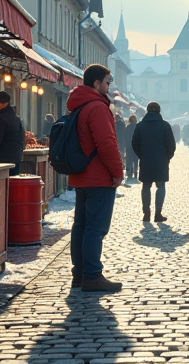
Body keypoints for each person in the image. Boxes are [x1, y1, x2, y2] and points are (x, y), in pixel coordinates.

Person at [67, 64, 123, 292]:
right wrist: (118, 172)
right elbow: (106, 143)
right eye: (108, 82)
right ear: (96, 83)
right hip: (99, 177)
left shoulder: (78, 105)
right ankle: (92, 274)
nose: (110, 86)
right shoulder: (98, 107)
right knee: (95, 228)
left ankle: (79, 274)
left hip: (81, 175)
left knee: (80, 225)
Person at [131, 102, 175, 222]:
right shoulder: (165, 126)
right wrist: (167, 157)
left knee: (146, 187)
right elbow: (171, 145)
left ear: (147, 111)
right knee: (160, 186)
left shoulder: (140, 126)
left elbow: (134, 143)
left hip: (146, 160)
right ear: (159, 111)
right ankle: (158, 213)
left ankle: (146, 213)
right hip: (161, 161)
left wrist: (142, 155)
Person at [0, 91, 26, 176]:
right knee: (13, 184)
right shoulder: (16, 119)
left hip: (1, 160)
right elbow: (22, 138)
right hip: (16, 158)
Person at [123, 115, 139, 181]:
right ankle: (135, 173)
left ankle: (129, 173)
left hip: (129, 146)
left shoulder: (127, 128)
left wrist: (124, 146)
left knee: (129, 159)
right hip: (136, 146)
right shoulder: (138, 127)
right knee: (135, 160)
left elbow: (125, 137)